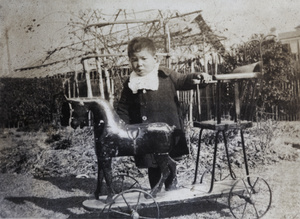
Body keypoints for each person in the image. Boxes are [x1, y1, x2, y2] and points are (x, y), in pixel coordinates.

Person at [116, 37, 210, 190]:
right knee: (153, 165)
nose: (139, 64)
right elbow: (123, 107)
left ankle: (171, 190)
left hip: (168, 132)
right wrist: (121, 125)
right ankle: (156, 193)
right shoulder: (130, 83)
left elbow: (184, 79)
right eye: (134, 60)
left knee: (169, 162)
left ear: (154, 58)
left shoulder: (166, 76)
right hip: (145, 135)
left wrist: (198, 77)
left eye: (143, 59)